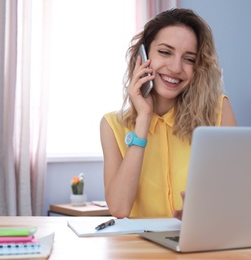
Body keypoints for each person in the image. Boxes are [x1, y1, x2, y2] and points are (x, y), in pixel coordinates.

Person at [100, 8, 237, 219]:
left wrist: (205, 213)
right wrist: (143, 118)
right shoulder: (112, 125)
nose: (175, 67)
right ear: (142, 57)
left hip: (197, 243)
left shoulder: (219, 112)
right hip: (140, 249)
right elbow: (119, 208)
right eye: (165, 52)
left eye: (189, 59)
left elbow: (234, 194)